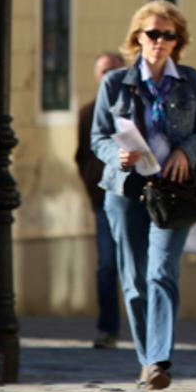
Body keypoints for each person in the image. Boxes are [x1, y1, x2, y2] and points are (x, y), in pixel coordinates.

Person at [91, 0, 196, 390]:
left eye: (168, 35)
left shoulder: (191, 81)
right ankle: (147, 360)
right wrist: (117, 155)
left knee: (162, 271)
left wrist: (186, 152)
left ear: (177, 41)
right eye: (153, 34)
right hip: (127, 189)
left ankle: (160, 358)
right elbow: (98, 137)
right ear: (138, 37)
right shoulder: (115, 83)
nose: (159, 41)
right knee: (134, 278)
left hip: (173, 192)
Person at [75, 51, 125, 350]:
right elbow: (82, 156)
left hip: (133, 196)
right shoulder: (87, 113)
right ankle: (108, 328)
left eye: (115, 70)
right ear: (97, 77)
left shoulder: (134, 107)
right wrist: (93, 188)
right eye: (105, 71)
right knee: (107, 265)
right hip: (103, 199)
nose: (110, 77)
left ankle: (147, 330)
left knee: (139, 266)